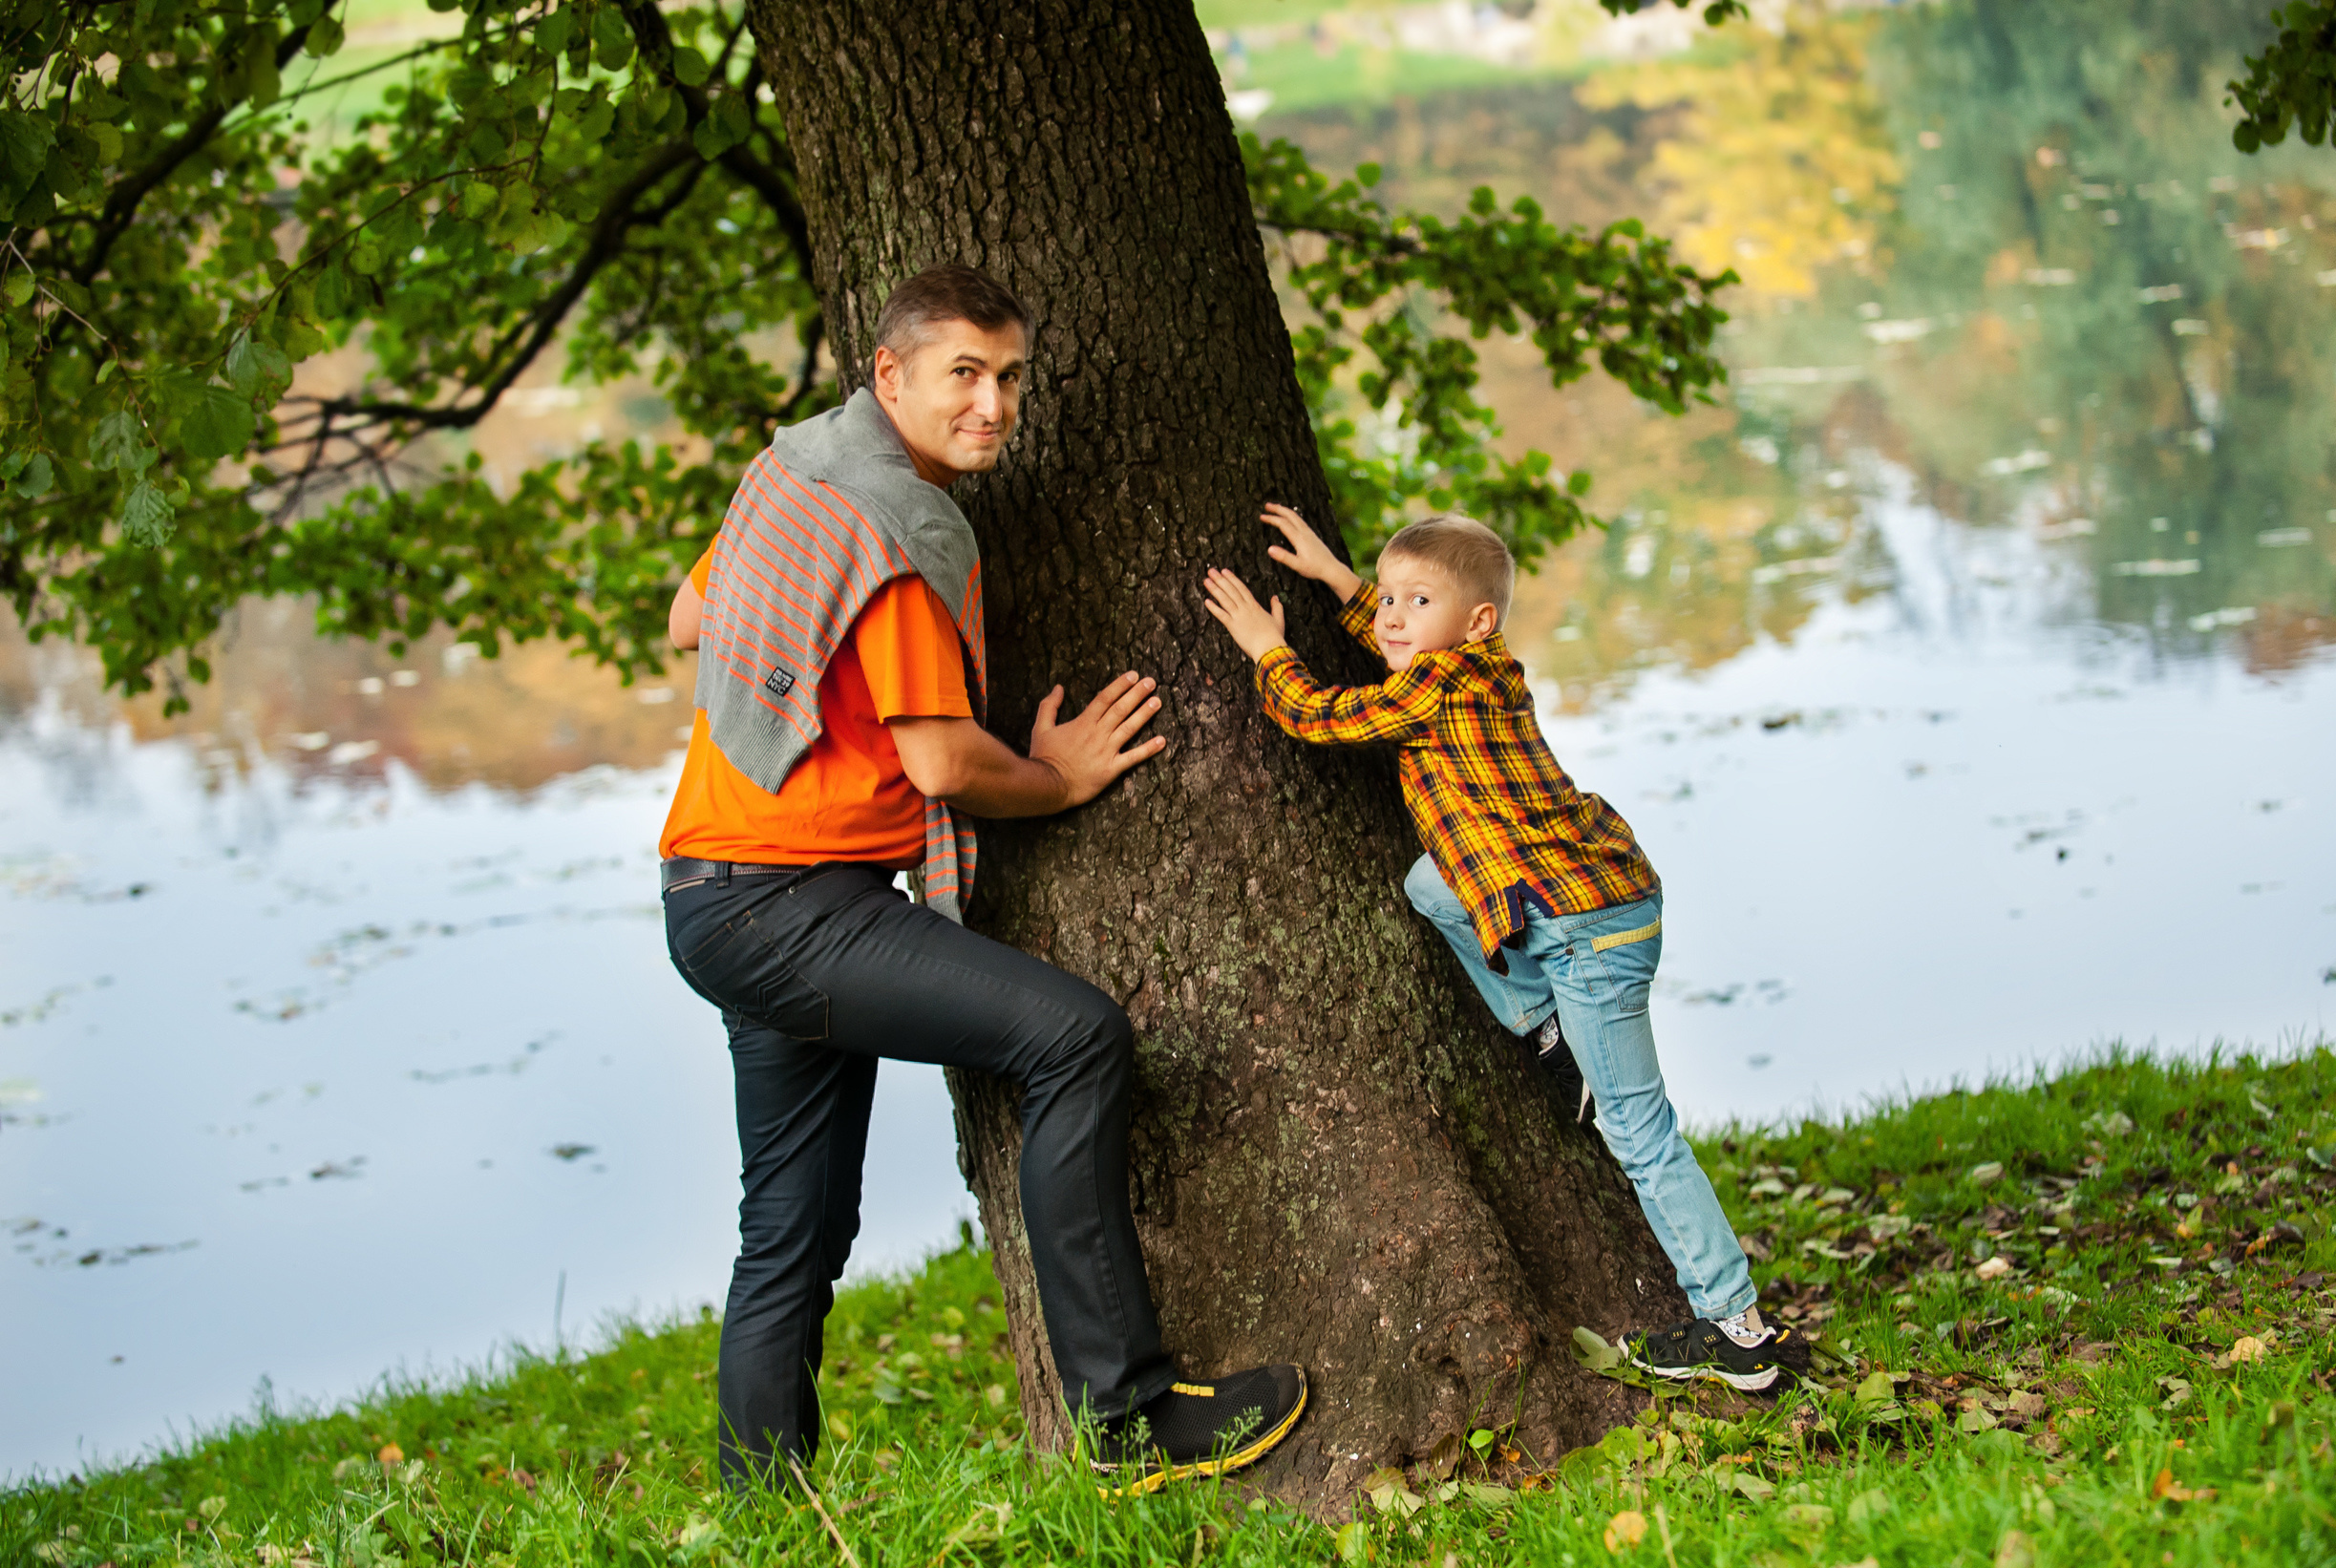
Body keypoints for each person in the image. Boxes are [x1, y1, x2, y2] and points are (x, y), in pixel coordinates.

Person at [663, 265, 1305, 1493]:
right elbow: (946, 762)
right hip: (789, 904)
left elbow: (689, 619)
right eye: (964, 373)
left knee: (794, 1230)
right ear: (890, 375)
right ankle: (1125, 1415)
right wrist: (1056, 780)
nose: (995, 405)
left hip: (717, 895)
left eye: (1010, 375)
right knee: (1074, 1038)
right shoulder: (895, 532)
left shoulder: (794, 478)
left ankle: (764, 1508)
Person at [1199, 505, 1810, 1393]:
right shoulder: (1476, 670)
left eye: (1416, 601)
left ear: (1476, 623)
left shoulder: (1437, 686)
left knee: (1640, 1133)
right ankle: (1549, 1033)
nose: (1394, 617)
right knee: (1429, 885)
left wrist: (1266, 648)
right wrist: (1340, 581)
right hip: (1592, 899)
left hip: (1585, 933)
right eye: (1389, 599)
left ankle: (1738, 1331)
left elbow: (1324, 718)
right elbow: (1403, 645)